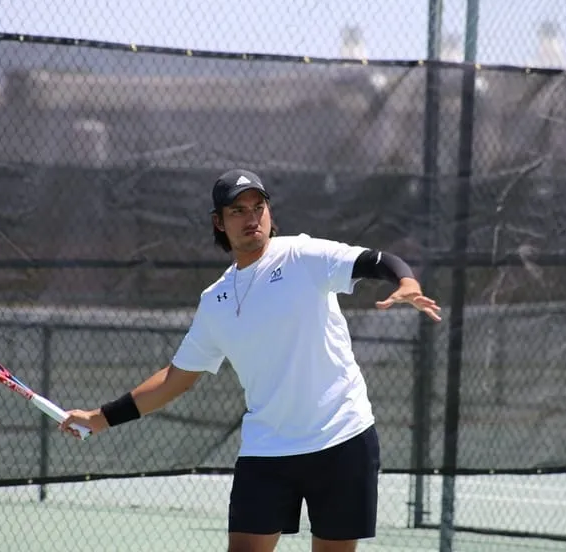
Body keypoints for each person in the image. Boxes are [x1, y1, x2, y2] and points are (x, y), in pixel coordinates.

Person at [59, 168, 442, 552]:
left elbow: (376, 260)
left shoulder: (302, 255)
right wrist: (100, 418)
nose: (251, 217)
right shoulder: (215, 301)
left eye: (258, 207)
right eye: (238, 211)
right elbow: (175, 379)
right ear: (219, 222)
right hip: (267, 450)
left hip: (342, 438)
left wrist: (407, 282)